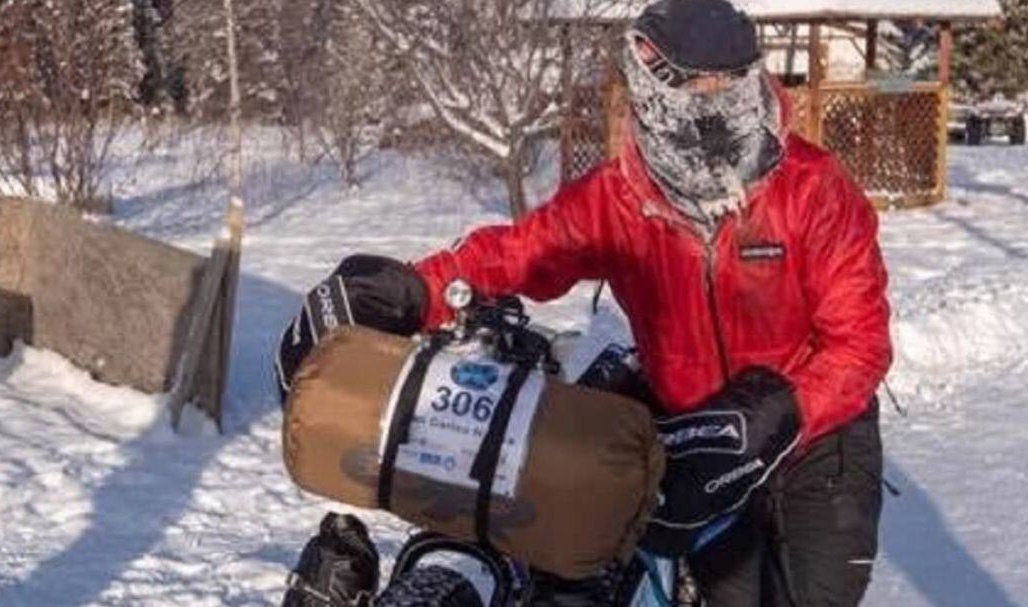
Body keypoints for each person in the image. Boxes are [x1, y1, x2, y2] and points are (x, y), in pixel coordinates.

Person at [275, 1, 892, 605]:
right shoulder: (618, 200)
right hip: (691, 427)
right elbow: (519, 252)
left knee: (817, 594)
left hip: (818, 434)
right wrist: (412, 289)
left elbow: (860, 342)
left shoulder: (812, 190)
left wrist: (778, 410)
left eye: (730, 85)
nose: (718, 102)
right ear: (657, 99)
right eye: (699, 89)